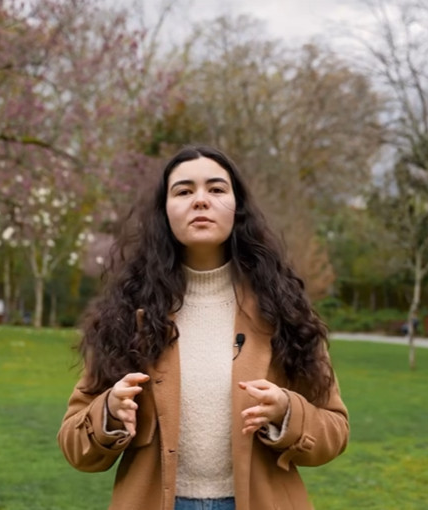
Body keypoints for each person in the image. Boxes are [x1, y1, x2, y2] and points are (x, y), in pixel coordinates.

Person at [57, 145, 349, 510]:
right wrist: (109, 413)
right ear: (165, 210)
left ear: (237, 207)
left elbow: (335, 429)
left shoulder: (283, 308)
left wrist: (286, 413)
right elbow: (74, 444)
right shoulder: (129, 312)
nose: (200, 200)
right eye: (183, 191)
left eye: (216, 189)